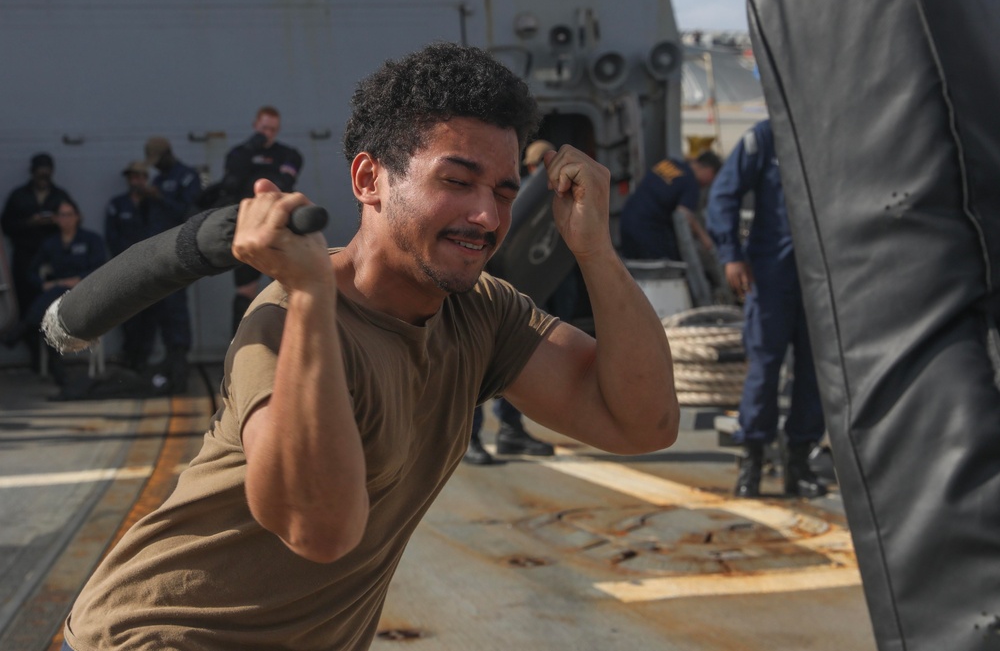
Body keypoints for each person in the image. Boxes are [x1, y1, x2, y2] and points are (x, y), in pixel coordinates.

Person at [61, 42, 679, 651]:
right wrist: (306, 293)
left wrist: (594, 250)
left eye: (504, 191)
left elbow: (643, 423)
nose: (487, 215)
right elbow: (317, 529)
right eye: (457, 181)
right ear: (369, 179)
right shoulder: (283, 320)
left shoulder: (480, 310)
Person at [704, 119, 826, 499]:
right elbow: (724, 194)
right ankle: (753, 462)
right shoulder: (765, 137)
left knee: (815, 372)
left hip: (823, 277)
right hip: (771, 276)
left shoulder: (835, 130)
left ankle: (799, 463)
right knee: (764, 366)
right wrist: (731, 255)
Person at [464, 139, 559, 465]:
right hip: (483, 291)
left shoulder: (539, 200)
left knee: (514, 363)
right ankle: (469, 438)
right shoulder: (506, 195)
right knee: (477, 364)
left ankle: (510, 430)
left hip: (516, 293)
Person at [221, 106, 305, 333]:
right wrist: (252, 148)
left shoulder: (288, 154)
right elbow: (230, 183)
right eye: (264, 128)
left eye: (273, 129)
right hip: (248, 228)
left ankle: (286, 345)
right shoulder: (239, 154)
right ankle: (237, 349)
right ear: (256, 125)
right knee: (245, 290)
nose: (268, 133)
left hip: (278, 229)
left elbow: (284, 184)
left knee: (286, 287)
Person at [4, 199, 105, 382]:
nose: (65, 219)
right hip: (58, 297)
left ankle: (23, 328)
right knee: (49, 312)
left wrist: (79, 280)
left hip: (85, 292)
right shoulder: (51, 243)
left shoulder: (91, 239)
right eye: (61, 215)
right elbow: (32, 272)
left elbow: (101, 268)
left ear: (77, 217)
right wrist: (44, 284)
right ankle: (58, 371)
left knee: (49, 303)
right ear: (56, 219)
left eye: (69, 214)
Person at [104, 160, 177, 374]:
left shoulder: (154, 204)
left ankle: (144, 360)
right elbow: (111, 236)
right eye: (132, 177)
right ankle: (130, 358)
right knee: (128, 315)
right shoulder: (117, 204)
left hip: (152, 270)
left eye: (139, 177)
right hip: (126, 269)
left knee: (151, 315)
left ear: (146, 179)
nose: (136, 181)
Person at [142, 137, 203, 392]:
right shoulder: (157, 180)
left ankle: (179, 365)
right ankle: (169, 359)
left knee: (176, 309)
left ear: (168, 154)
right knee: (163, 308)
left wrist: (161, 197)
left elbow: (190, 214)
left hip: (177, 254)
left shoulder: (186, 177)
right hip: (158, 255)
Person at [1, 153, 75, 324]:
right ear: (33, 172)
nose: (43, 177)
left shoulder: (60, 195)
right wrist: (29, 222)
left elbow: (75, 219)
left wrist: (57, 221)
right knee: (25, 300)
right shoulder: (19, 195)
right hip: (25, 256)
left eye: (46, 173)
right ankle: (31, 342)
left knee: (54, 303)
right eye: (40, 172)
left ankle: (52, 345)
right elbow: (6, 225)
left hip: (54, 257)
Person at [619, 150, 721, 261]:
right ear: (710, 170)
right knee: (666, 269)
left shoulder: (670, 163)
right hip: (648, 230)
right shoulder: (691, 183)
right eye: (713, 178)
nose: (710, 184)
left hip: (627, 220)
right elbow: (683, 215)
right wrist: (704, 238)